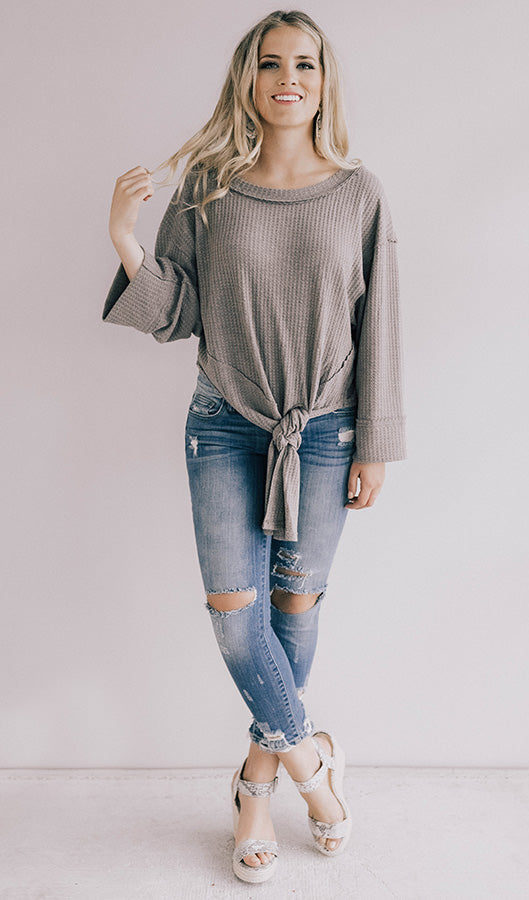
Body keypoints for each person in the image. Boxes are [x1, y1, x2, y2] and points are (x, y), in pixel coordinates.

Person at [103, 8, 406, 885]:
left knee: (293, 613)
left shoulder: (360, 192)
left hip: (325, 429)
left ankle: (255, 791)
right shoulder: (210, 185)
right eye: (270, 64)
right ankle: (314, 769)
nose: (288, 79)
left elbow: (380, 320)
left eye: (304, 64)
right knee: (237, 617)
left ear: (324, 80)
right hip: (223, 419)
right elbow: (176, 312)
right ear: (248, 78)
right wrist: (125, 238)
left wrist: (375, 443)